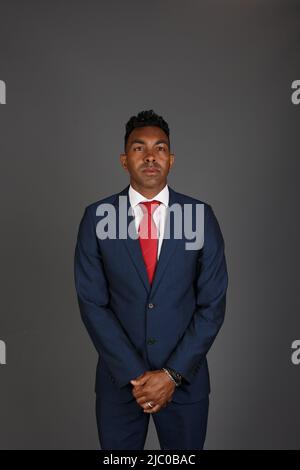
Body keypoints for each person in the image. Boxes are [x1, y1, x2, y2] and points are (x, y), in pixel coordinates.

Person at [74, 109, 228, 450]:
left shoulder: (200, 217)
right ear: (124, 159)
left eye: (159, 148)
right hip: (120, 385)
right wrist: (138, 377)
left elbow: (212, 304)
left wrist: (171, 375)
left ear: (171, 159)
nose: (150, 157)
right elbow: (92, 303)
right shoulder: (97, 218)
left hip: (185, 384)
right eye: (138, 148)